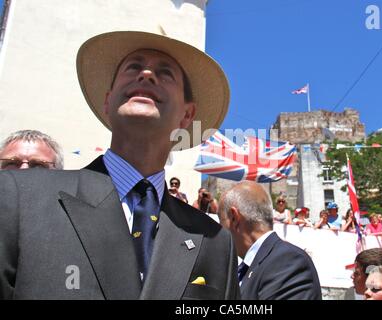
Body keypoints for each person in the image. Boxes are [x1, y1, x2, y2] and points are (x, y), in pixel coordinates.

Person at [0, 30, 240, 299]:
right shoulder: (19, 197)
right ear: (107, 101)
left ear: (187, 115)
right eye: (133, 66)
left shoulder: (214, 241)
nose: (147, 74)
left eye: (165, 73)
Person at [218, 181, 322, 300]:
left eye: (221, 221)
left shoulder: (287, 262)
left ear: (234, 217)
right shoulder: (246, 268)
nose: (219, 230)